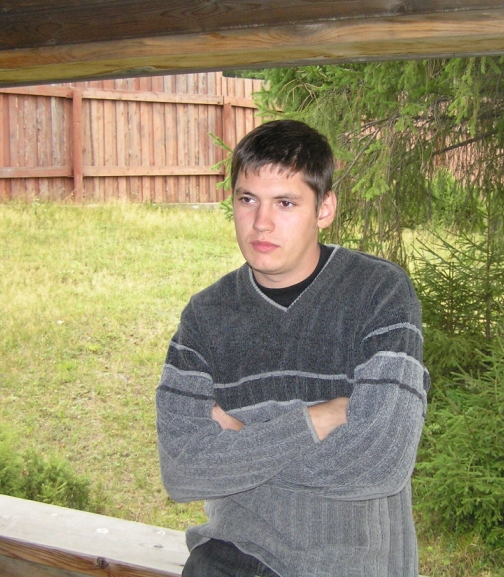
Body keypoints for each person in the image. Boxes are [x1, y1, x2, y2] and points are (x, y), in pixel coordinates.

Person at [156, 119, 429, 577]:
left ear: (325, 209)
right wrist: (317, 419)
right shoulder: (206, 316)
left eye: (285, 202)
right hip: (231, 556)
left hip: (349, 563)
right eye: (247, 200)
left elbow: (381, 462)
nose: (261, 222)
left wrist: (241, 435)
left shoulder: (379, 293)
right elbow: (182, 471)